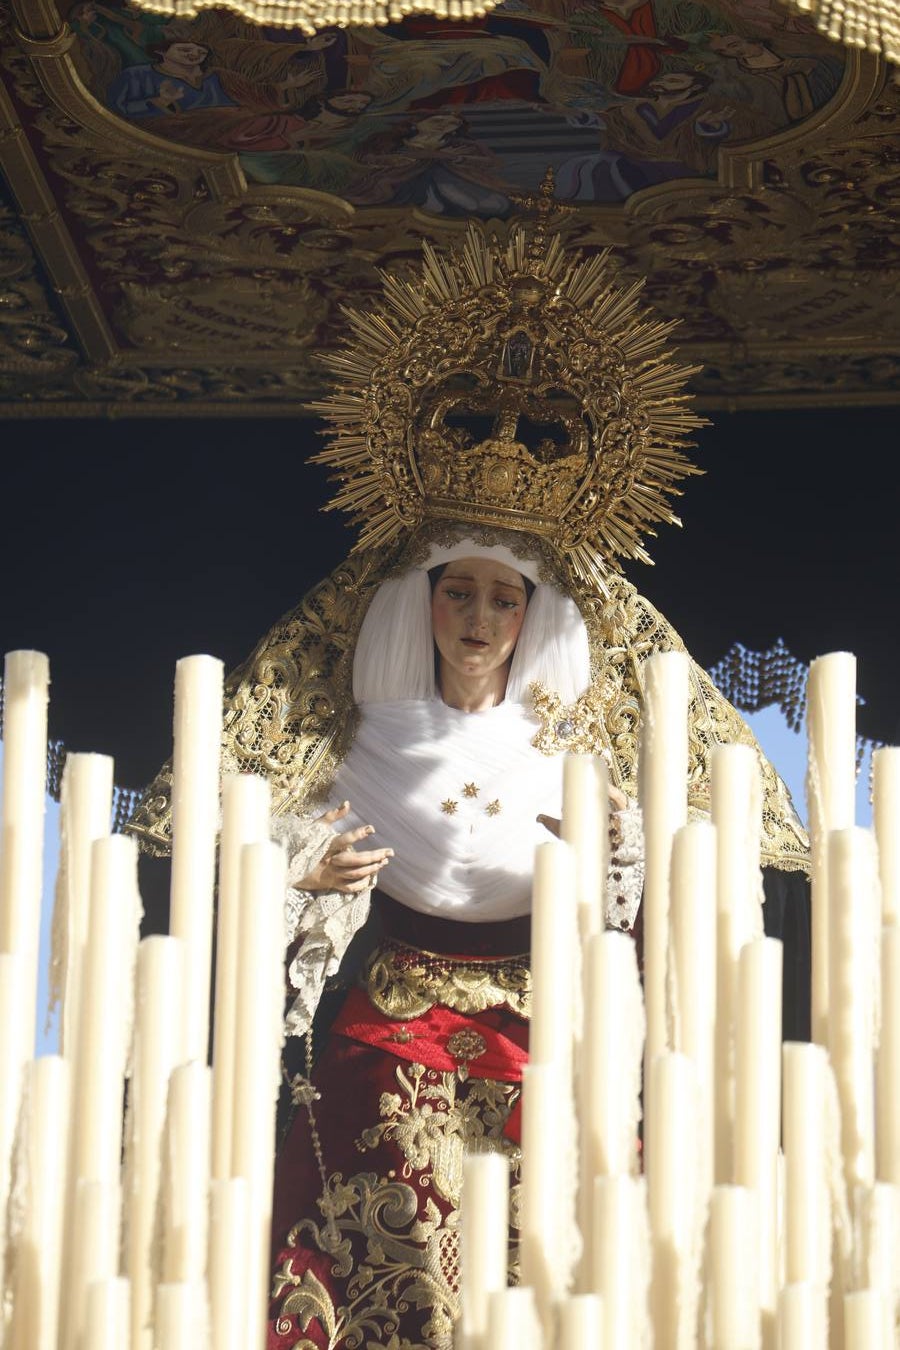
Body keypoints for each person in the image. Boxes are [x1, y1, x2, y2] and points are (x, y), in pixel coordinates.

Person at [125, 214, 810, 1350]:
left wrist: (618, 868)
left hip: (546, 1030)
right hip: (386, 1013)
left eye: (504, 599)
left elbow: (699, 880)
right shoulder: (349, 735)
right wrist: (302, 868)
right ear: (423, 600)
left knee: (565, 1200)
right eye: (459, 593)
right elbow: (229, 837)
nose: (479, 619)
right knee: (349, 1143)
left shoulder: (586, 747)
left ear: (535, 616)